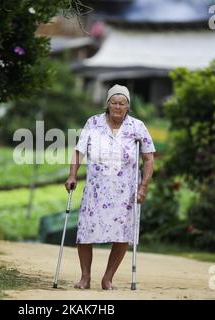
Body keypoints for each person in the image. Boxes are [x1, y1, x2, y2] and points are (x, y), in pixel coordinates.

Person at [65, 84, 155, 290]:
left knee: (122, 234)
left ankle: (108, 278)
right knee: (86, 230)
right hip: (96, 188)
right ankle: (85, 277)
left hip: (125, 191)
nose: (117, 107)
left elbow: (148, 158)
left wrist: (143, 187)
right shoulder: (94, 122)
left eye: (122, 103)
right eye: (114, 102)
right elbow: (79, 151)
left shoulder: (137, 127)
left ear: (128, 106)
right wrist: (72, 175)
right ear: (108, 104)